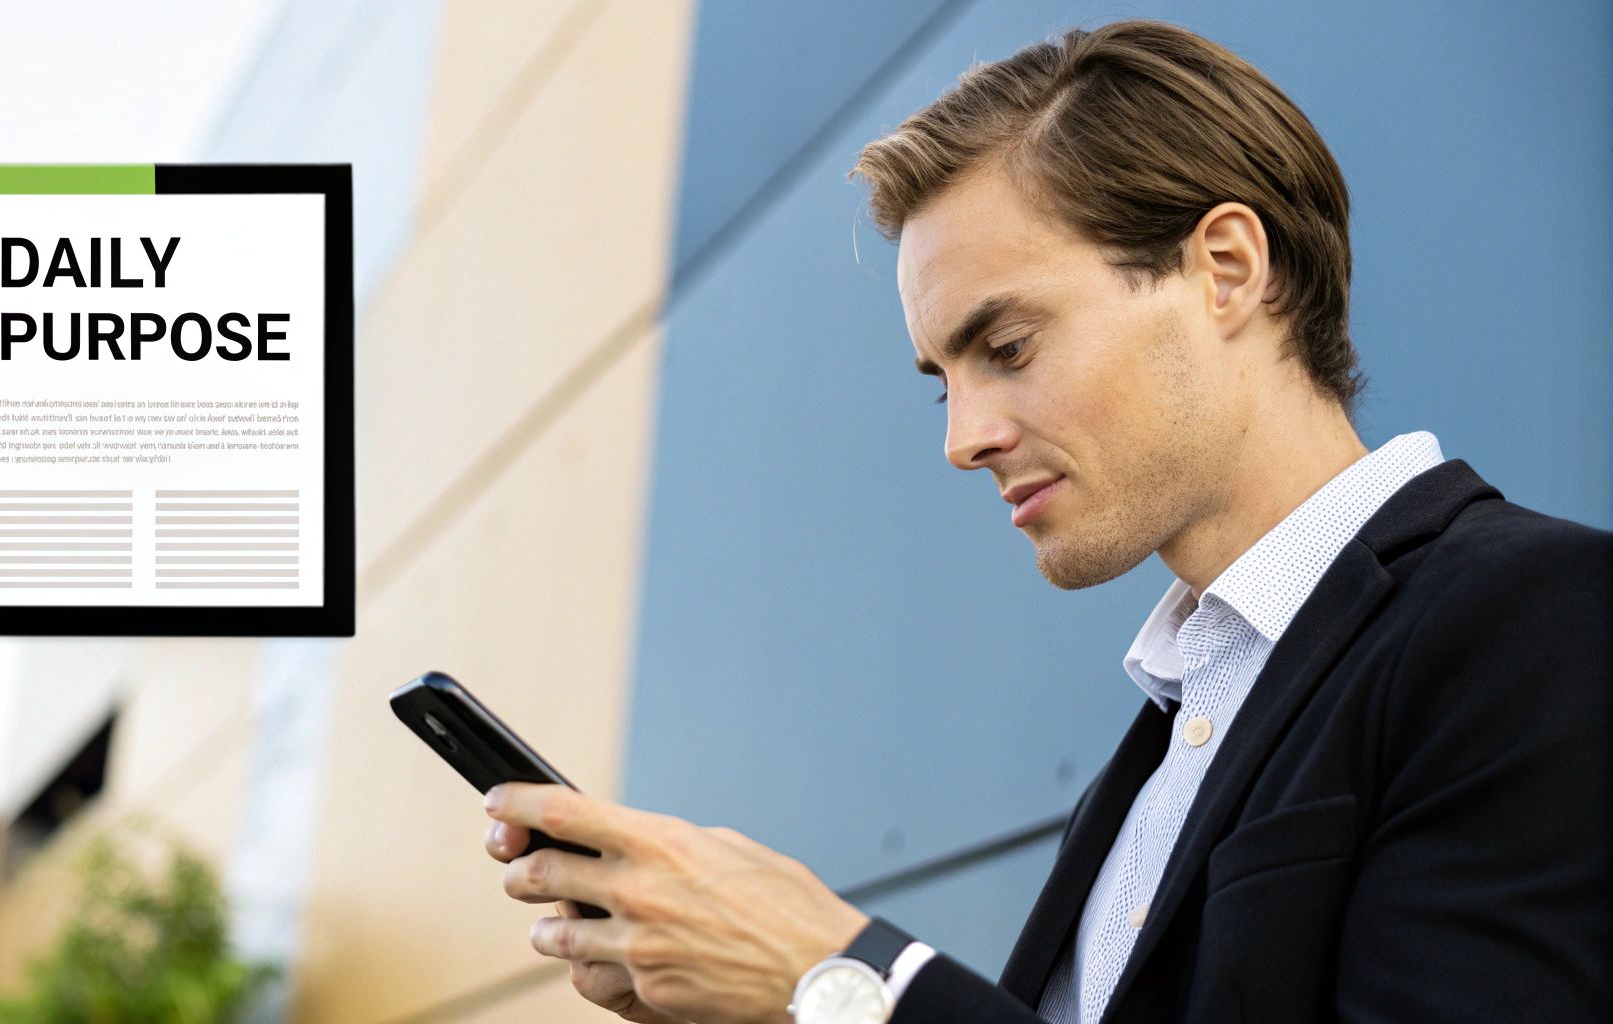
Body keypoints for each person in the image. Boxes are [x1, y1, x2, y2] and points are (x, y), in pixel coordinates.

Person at [480, 18, 1613, 1024]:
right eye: (942, 379)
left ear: (1223, 268)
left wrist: (835, 978)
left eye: (1007, 347)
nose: (960, 436)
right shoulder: (1158, 757)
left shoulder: (1535, 620)